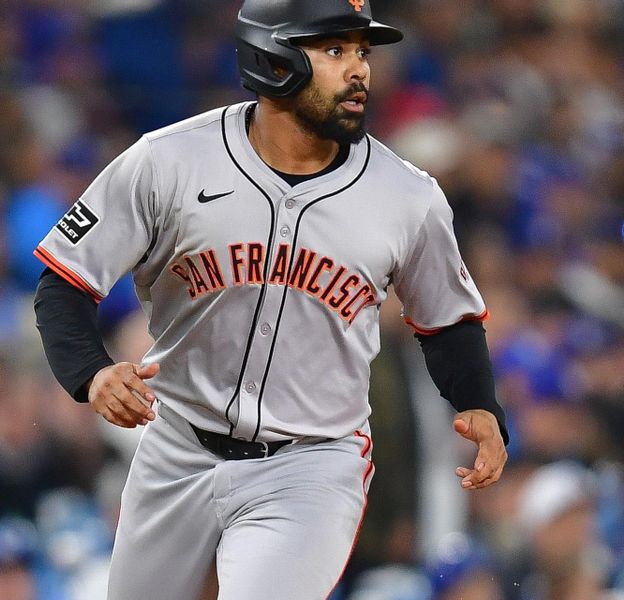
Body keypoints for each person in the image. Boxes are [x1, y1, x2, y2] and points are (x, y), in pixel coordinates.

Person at [33, 1, 509, 598]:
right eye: (335, 50)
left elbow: (449, 323)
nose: (360, 69)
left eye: (363, 52)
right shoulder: (169, 159)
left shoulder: (408, 197)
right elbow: (65, 281)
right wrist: (91, 373)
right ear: (273, 55)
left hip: (310, 462)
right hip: (177, 446)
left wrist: (479, 404)